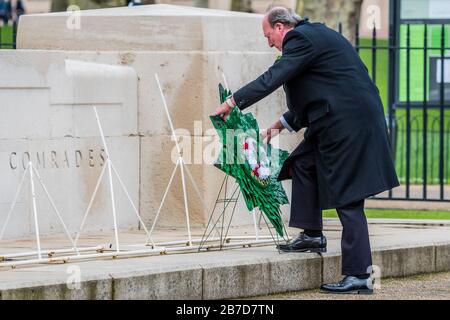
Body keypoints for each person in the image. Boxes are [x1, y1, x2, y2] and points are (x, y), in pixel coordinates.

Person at [213, 6, 399, 294]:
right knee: (302, 163)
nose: (269, 43)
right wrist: (275, 127)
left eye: (268, 36)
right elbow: (318, 92)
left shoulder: (300, 39)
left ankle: (360, 275)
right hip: (337, 119)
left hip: (347, 125)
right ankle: (312, 234)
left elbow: (273, 77)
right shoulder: (314, 38)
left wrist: (233, 101)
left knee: (348, 197)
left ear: (280, 27)